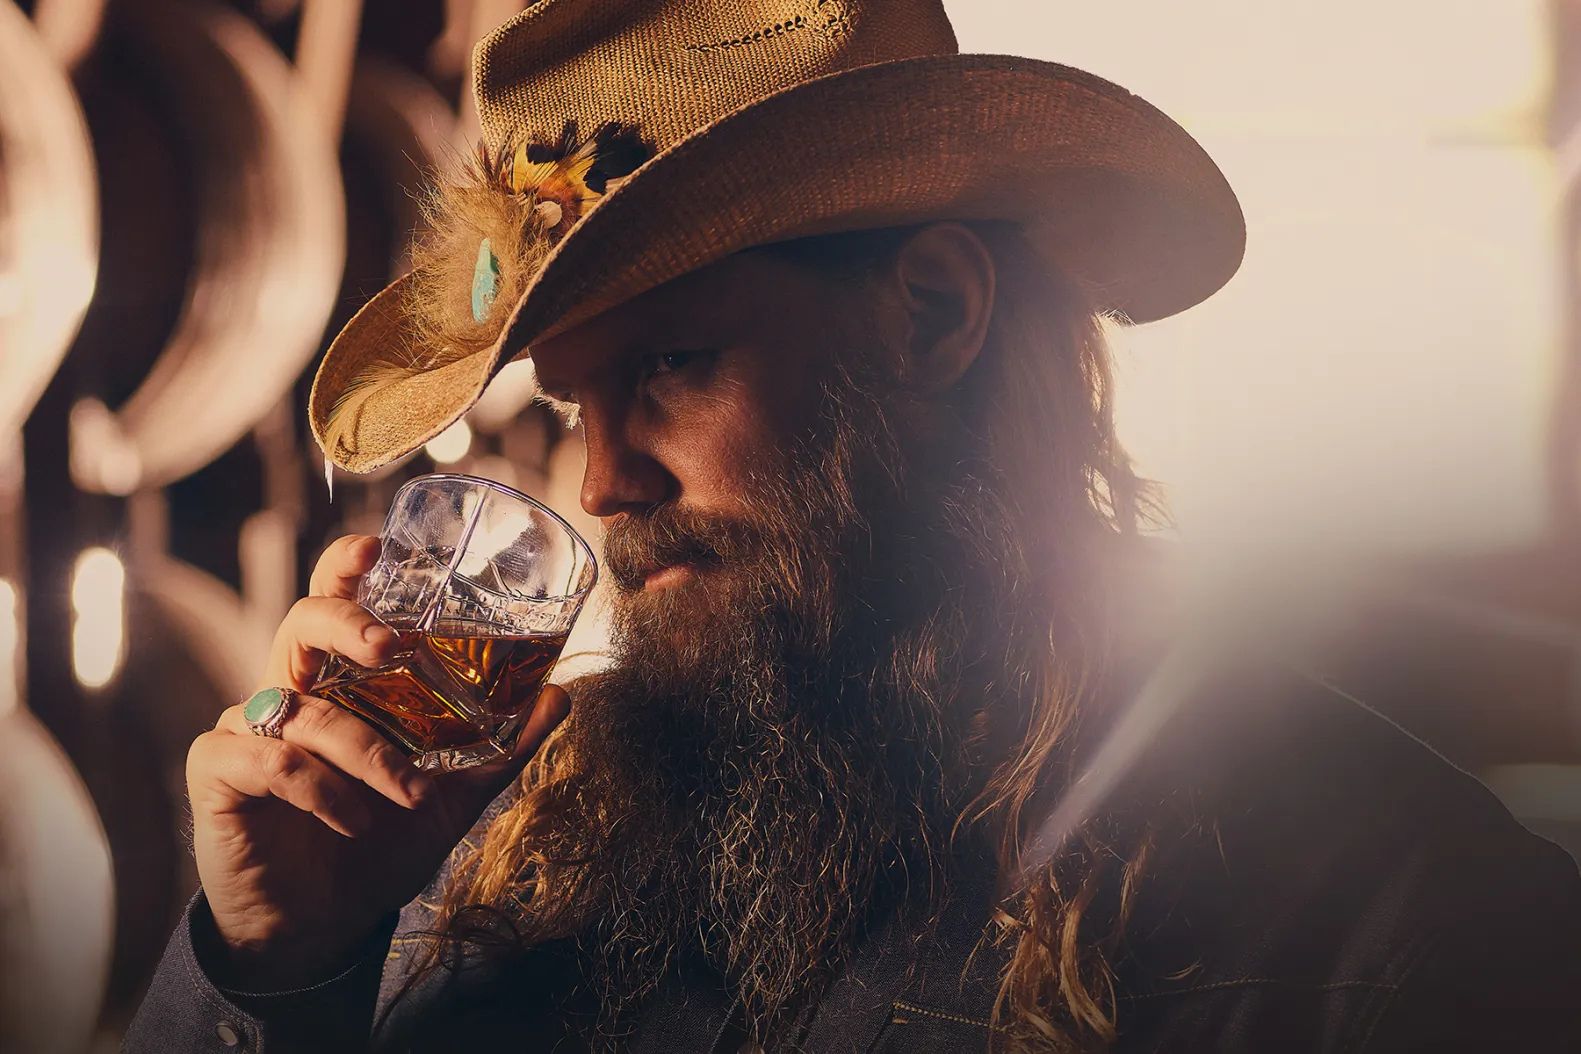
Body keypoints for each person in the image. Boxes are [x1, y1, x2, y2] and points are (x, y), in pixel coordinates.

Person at [127, 1, 1581, 1051]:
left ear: (934, 312)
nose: (604, 484)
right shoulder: (491, 847)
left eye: (672, 364)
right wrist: (280, 965)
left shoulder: (1401, 923)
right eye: (574, 403)